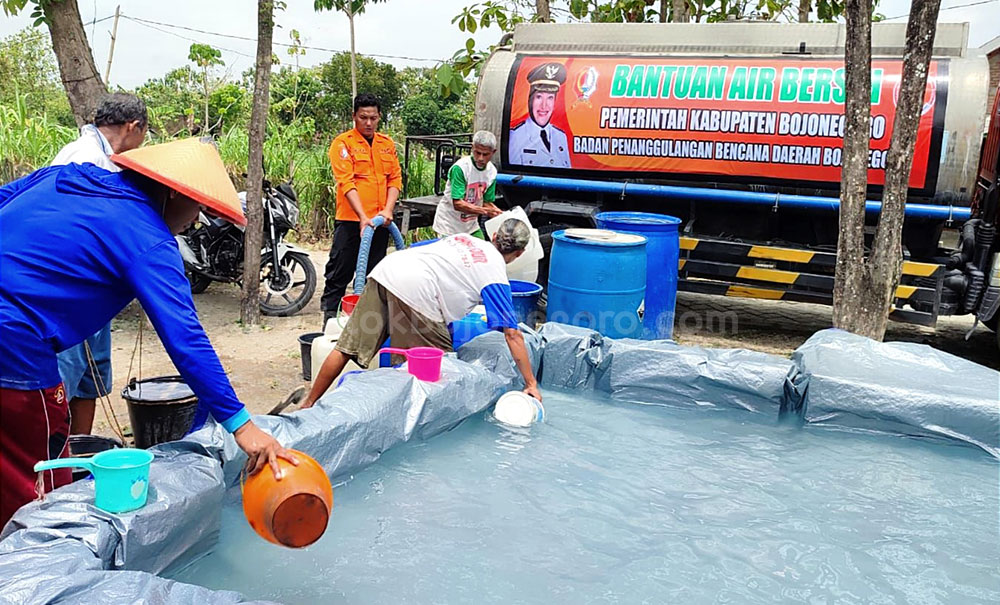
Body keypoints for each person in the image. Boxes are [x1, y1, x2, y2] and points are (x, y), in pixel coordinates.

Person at [0, 137, 297, 526]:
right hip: (14, 341)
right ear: (173, 193)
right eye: (198, 207)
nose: (197, 220)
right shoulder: (149, 238)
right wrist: (243, 427)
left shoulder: (67, 177)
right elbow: (186, 338)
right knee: (36, 478)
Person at [301, 219, 542, 409]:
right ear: (519, 254)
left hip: (387, 270)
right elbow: (512, 333)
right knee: (440, 376)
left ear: (495, 236)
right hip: (417, 291)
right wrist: (530, 383)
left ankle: (309, 403)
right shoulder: (495, 273)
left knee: (345, 347)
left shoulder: (464, 239)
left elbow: (421, 253)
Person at [50, 93, 148, 437]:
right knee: (67, 377)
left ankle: (82, 450)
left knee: (91, 380)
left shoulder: (106, 158)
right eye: (144, 134)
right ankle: (57, 459)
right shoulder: (83, 159)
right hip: (68, 288)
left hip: (94, 291)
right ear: (133, 126)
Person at [320, 93, 402, 326]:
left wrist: (387, 210)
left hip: (380, 222)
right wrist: (363, 217)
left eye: (373, 118)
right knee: (339, 273)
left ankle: (367, 326)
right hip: (350, 222)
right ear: (354, 116)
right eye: (363, 117)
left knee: (373, 276)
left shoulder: (386, 145)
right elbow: (346, 182)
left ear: (379, 118)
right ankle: (330, 323)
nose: (368, 123)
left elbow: (395, 179)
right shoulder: (343, 144)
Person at [432, 130, 503, 239]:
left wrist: (499, 213)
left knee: (480, 249)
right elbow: (458, 203)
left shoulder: (492, 172)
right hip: (449, 225)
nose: (481, 158)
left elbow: (487, 202)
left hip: (470, 226)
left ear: (493, 152)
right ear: (472, 148)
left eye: (485, 154)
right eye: (477, 153)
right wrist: (485, 211)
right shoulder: (461, 168)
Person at [508, 62, 572, 168]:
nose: (544, 106)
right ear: (530, 100)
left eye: (550, 98)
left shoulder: (561, 136)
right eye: (539, 97)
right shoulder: (515, 136)